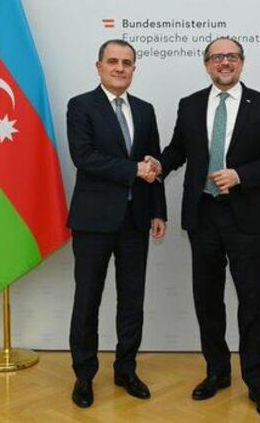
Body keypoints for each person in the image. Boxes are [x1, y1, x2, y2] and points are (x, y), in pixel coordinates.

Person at [150, 37, 260, 419]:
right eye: (217, 57)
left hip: (247, 220)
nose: (224, 62)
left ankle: (257, 383)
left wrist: (241, 175)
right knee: (207, 300)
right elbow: (178, 150)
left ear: (241, 62)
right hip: (203, 216)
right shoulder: (190, 104)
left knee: (252, 302)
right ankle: (217, 372)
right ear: (207, 64)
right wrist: (159, 165)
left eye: (231, 56)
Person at [66, 39, 166, 408]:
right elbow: (84, 157)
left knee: (132, 300)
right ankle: (84, 375)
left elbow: (153, 164)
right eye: (113, 61)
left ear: (134, 69)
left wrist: (158, 211)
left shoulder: (145, 109)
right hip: (93, 221)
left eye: (126, 62)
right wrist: (133, 169)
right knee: (87, 300)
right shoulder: (81, 105)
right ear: (99, 67)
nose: (120, 68)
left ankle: (126, 369)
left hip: (136, 221)